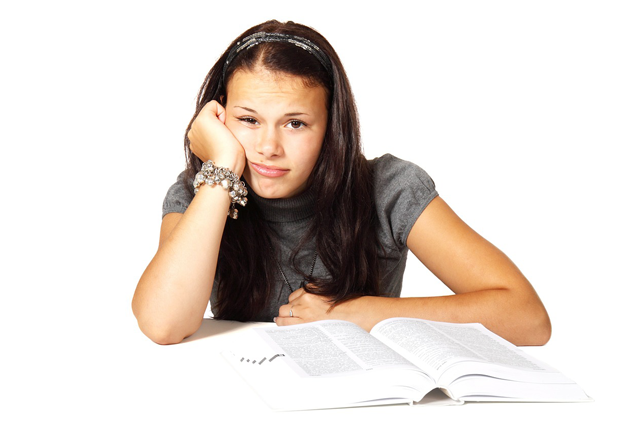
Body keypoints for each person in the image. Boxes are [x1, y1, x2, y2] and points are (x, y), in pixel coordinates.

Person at [132, 20, 551, 346]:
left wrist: (357, 313)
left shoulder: (390, 188)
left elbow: (527, 317)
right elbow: (162, 324)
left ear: (331, 126)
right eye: (248, 120)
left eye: (295, 123)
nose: (268, 147)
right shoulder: (202, 194)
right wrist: (222, 169)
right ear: (219, 116)